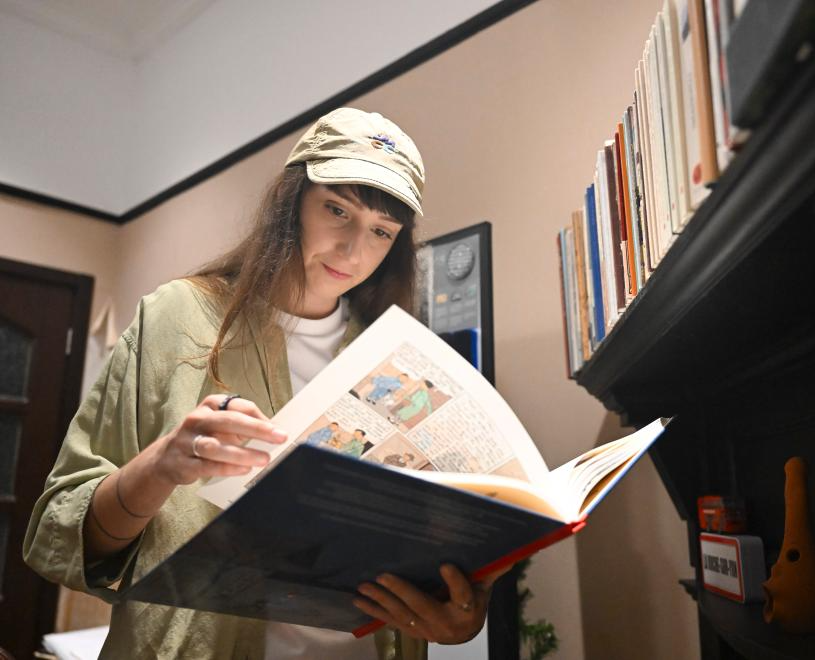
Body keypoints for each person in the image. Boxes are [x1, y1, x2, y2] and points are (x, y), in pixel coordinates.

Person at [23, 108, 506, 659]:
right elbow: (62, 530)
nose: (353, 250)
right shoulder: (177, 317)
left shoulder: (397, 363)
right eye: (336, 210)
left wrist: (457, 618)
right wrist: (160, 467)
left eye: (380, 231)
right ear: (291, 201)